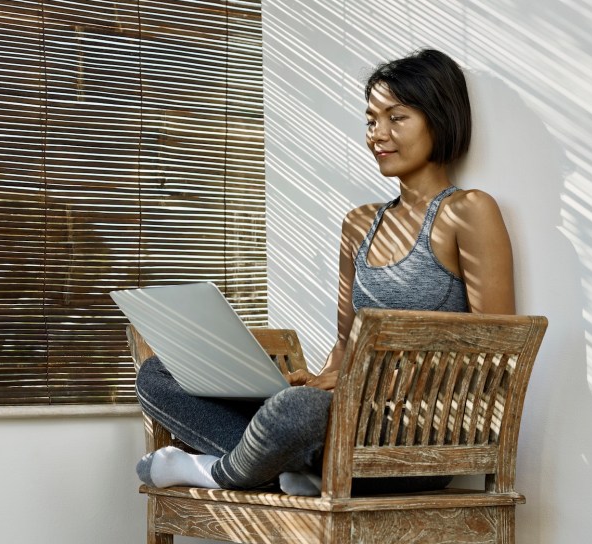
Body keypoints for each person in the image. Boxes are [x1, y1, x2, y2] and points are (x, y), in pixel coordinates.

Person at [134, 48, 515, 496]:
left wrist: (356, 384)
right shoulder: (359, 223)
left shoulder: (468, 211)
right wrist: (321, 379)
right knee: (159, 374)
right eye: (371, 120)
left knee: (298, 413)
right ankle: (293, 469)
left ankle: (215, 472)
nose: (378, 134)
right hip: (342, 419)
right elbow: (345, 344)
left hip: (413, 438)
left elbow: (495, 350)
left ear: (439, 116)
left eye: (397, 118)